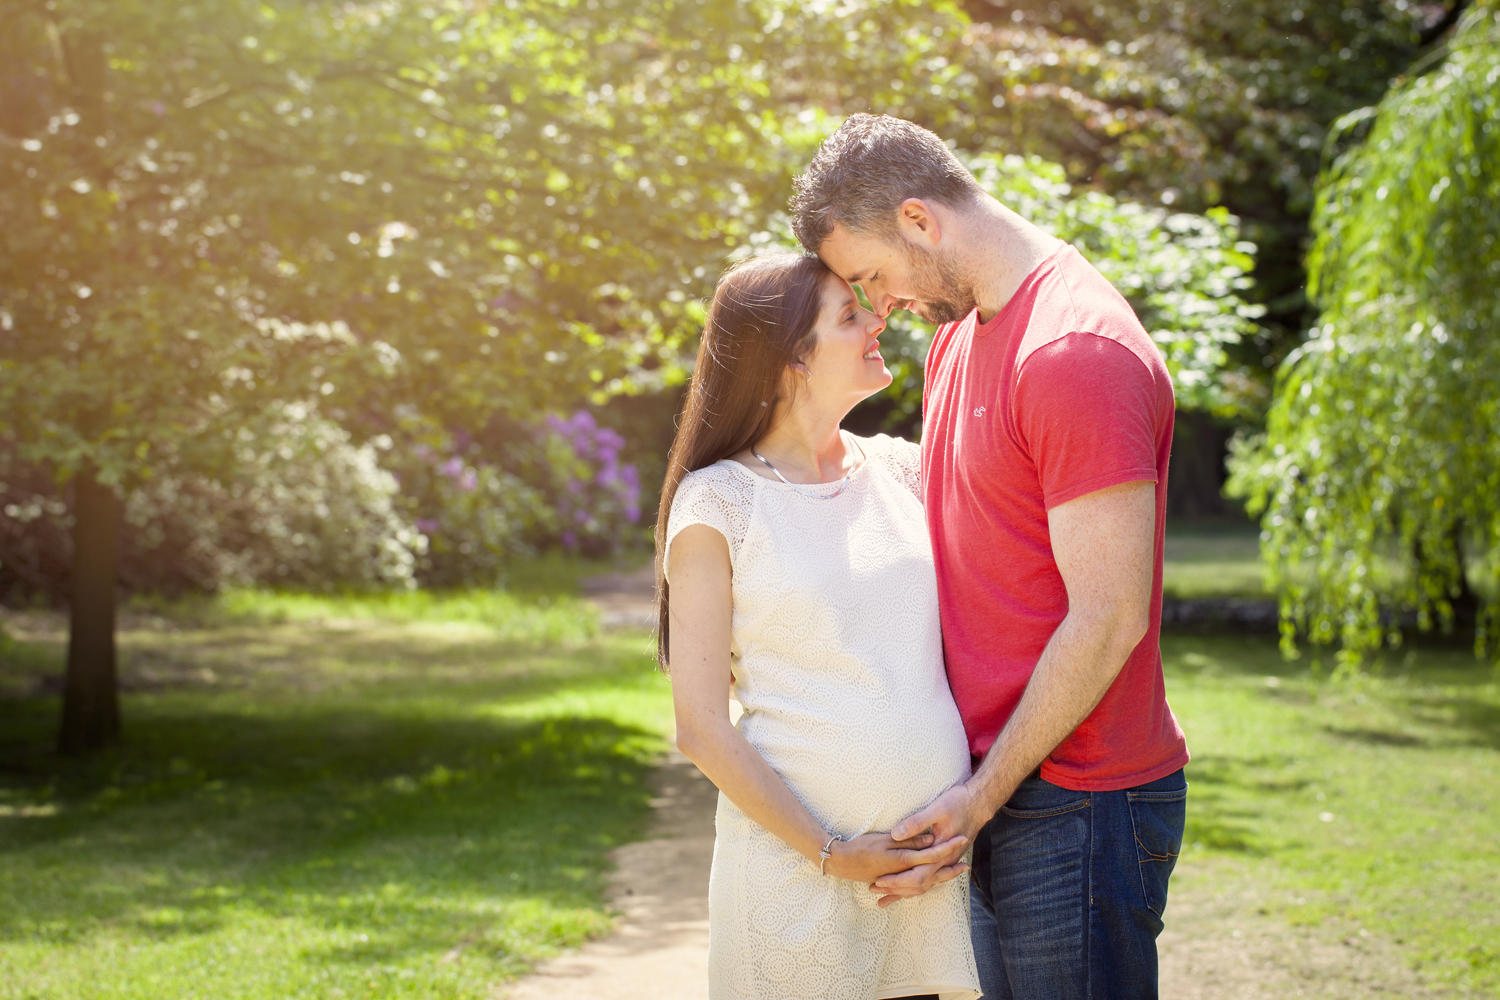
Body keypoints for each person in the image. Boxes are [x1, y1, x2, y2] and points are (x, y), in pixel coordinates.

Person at [791, 114, 1190, 1000]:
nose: (880, 305)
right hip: (997, 784)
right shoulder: (959, 341)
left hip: (1077, 800)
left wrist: (979, 797)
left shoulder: (1073, 352)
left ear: (919, 221)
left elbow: (1109, 615)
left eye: (872, 276)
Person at [656, 251, 981, 1000]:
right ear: (786, 361)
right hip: (795, 878)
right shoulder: (718, 503)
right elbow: (702, 727)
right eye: (847, 315)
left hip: (923, 881)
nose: (876, 322)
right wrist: (834, 854)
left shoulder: (907, 471)